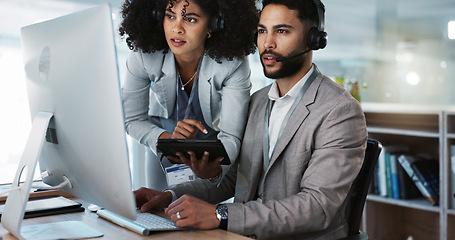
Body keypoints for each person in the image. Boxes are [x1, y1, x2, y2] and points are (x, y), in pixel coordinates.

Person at [134, 0, 368, 239]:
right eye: (262, 31)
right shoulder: (257, 101)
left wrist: (219, 215)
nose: (267, 43)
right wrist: (169, 197)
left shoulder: (340, 111)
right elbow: (233, 179)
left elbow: (317, 207)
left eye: (282, 31)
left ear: (313, 39)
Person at [119, 0, 258, 189]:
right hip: (163, 143)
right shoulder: (143, 55)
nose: (177, 28)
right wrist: (165, 139)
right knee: (157, 207)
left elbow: (231, 136)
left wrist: (214, 170)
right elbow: (131, 119)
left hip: (211, 152)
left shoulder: (233, 64)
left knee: (198, 213)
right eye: (169, 16)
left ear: (214, 25)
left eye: (190, 19)